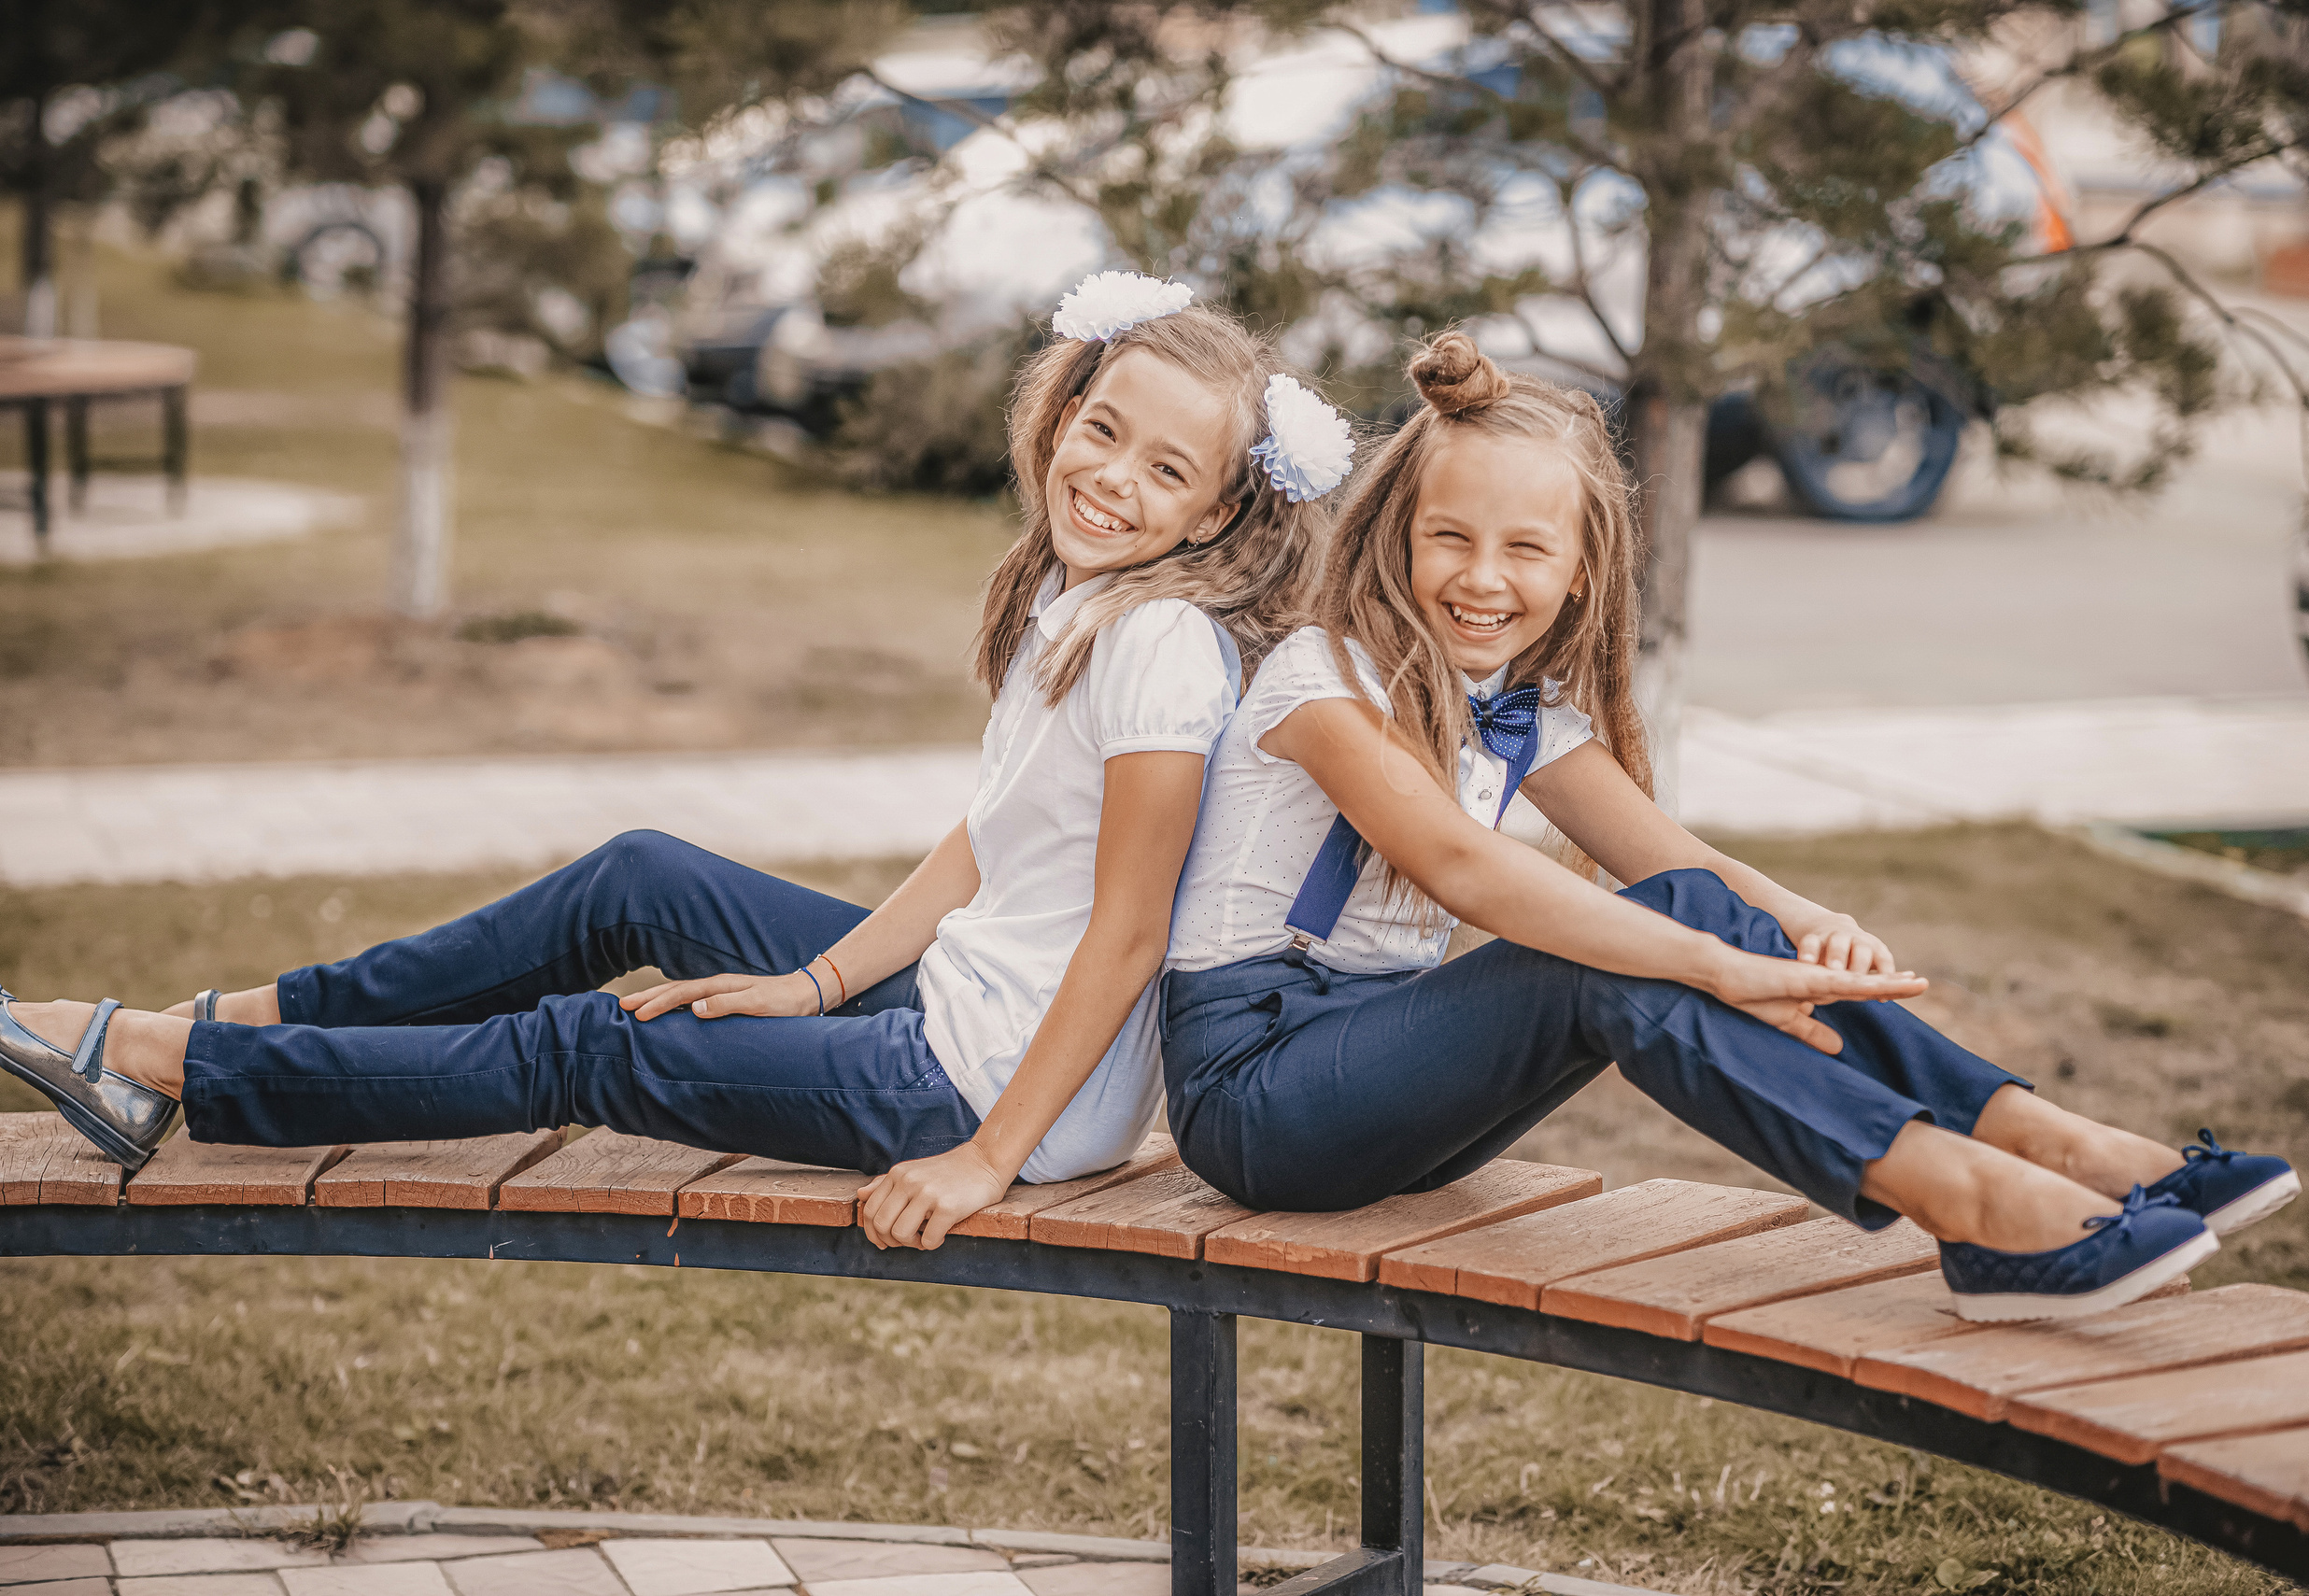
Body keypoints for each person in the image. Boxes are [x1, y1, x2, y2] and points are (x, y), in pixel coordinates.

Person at [0, 274, 1353, 1254]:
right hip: (960, 1003)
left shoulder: (1160, 644)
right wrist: (818, 983)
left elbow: (1129, 934)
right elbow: (987, 839)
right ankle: (241, 1014)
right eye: (1103, 429)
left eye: (1165, 470)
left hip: (988, 1085)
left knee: (595, 1045)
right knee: (637, 878)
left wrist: (985, 1160)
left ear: (1217, 512)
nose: (1112, 477)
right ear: (1063, 410)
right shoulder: (1078, 599)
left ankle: (179, 1062)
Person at [1156, 332, 2297, 1321]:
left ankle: (2050, 1143)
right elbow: (1461, 867)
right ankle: (1970, 1203)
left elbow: (1682, 862)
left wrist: (1810, 926)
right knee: (1602, 957)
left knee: (1687, 905)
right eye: (1449, 537)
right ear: (1396, 534)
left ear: (1582, 570)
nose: (1482, 577)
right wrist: (1713, 964)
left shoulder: (1516, 710)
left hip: (1378, 1074)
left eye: (1526, 548)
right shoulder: (1323, 680)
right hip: (1258, 1089)